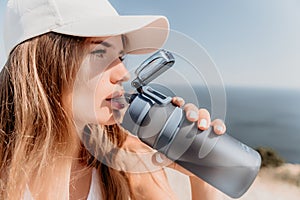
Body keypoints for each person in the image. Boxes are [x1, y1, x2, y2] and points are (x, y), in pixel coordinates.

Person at [0, 0, 226, 199]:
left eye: (120, 56)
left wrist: (202, 176)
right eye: (99, 52)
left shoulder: (127, 159)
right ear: (44, 64)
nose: (123, 74)